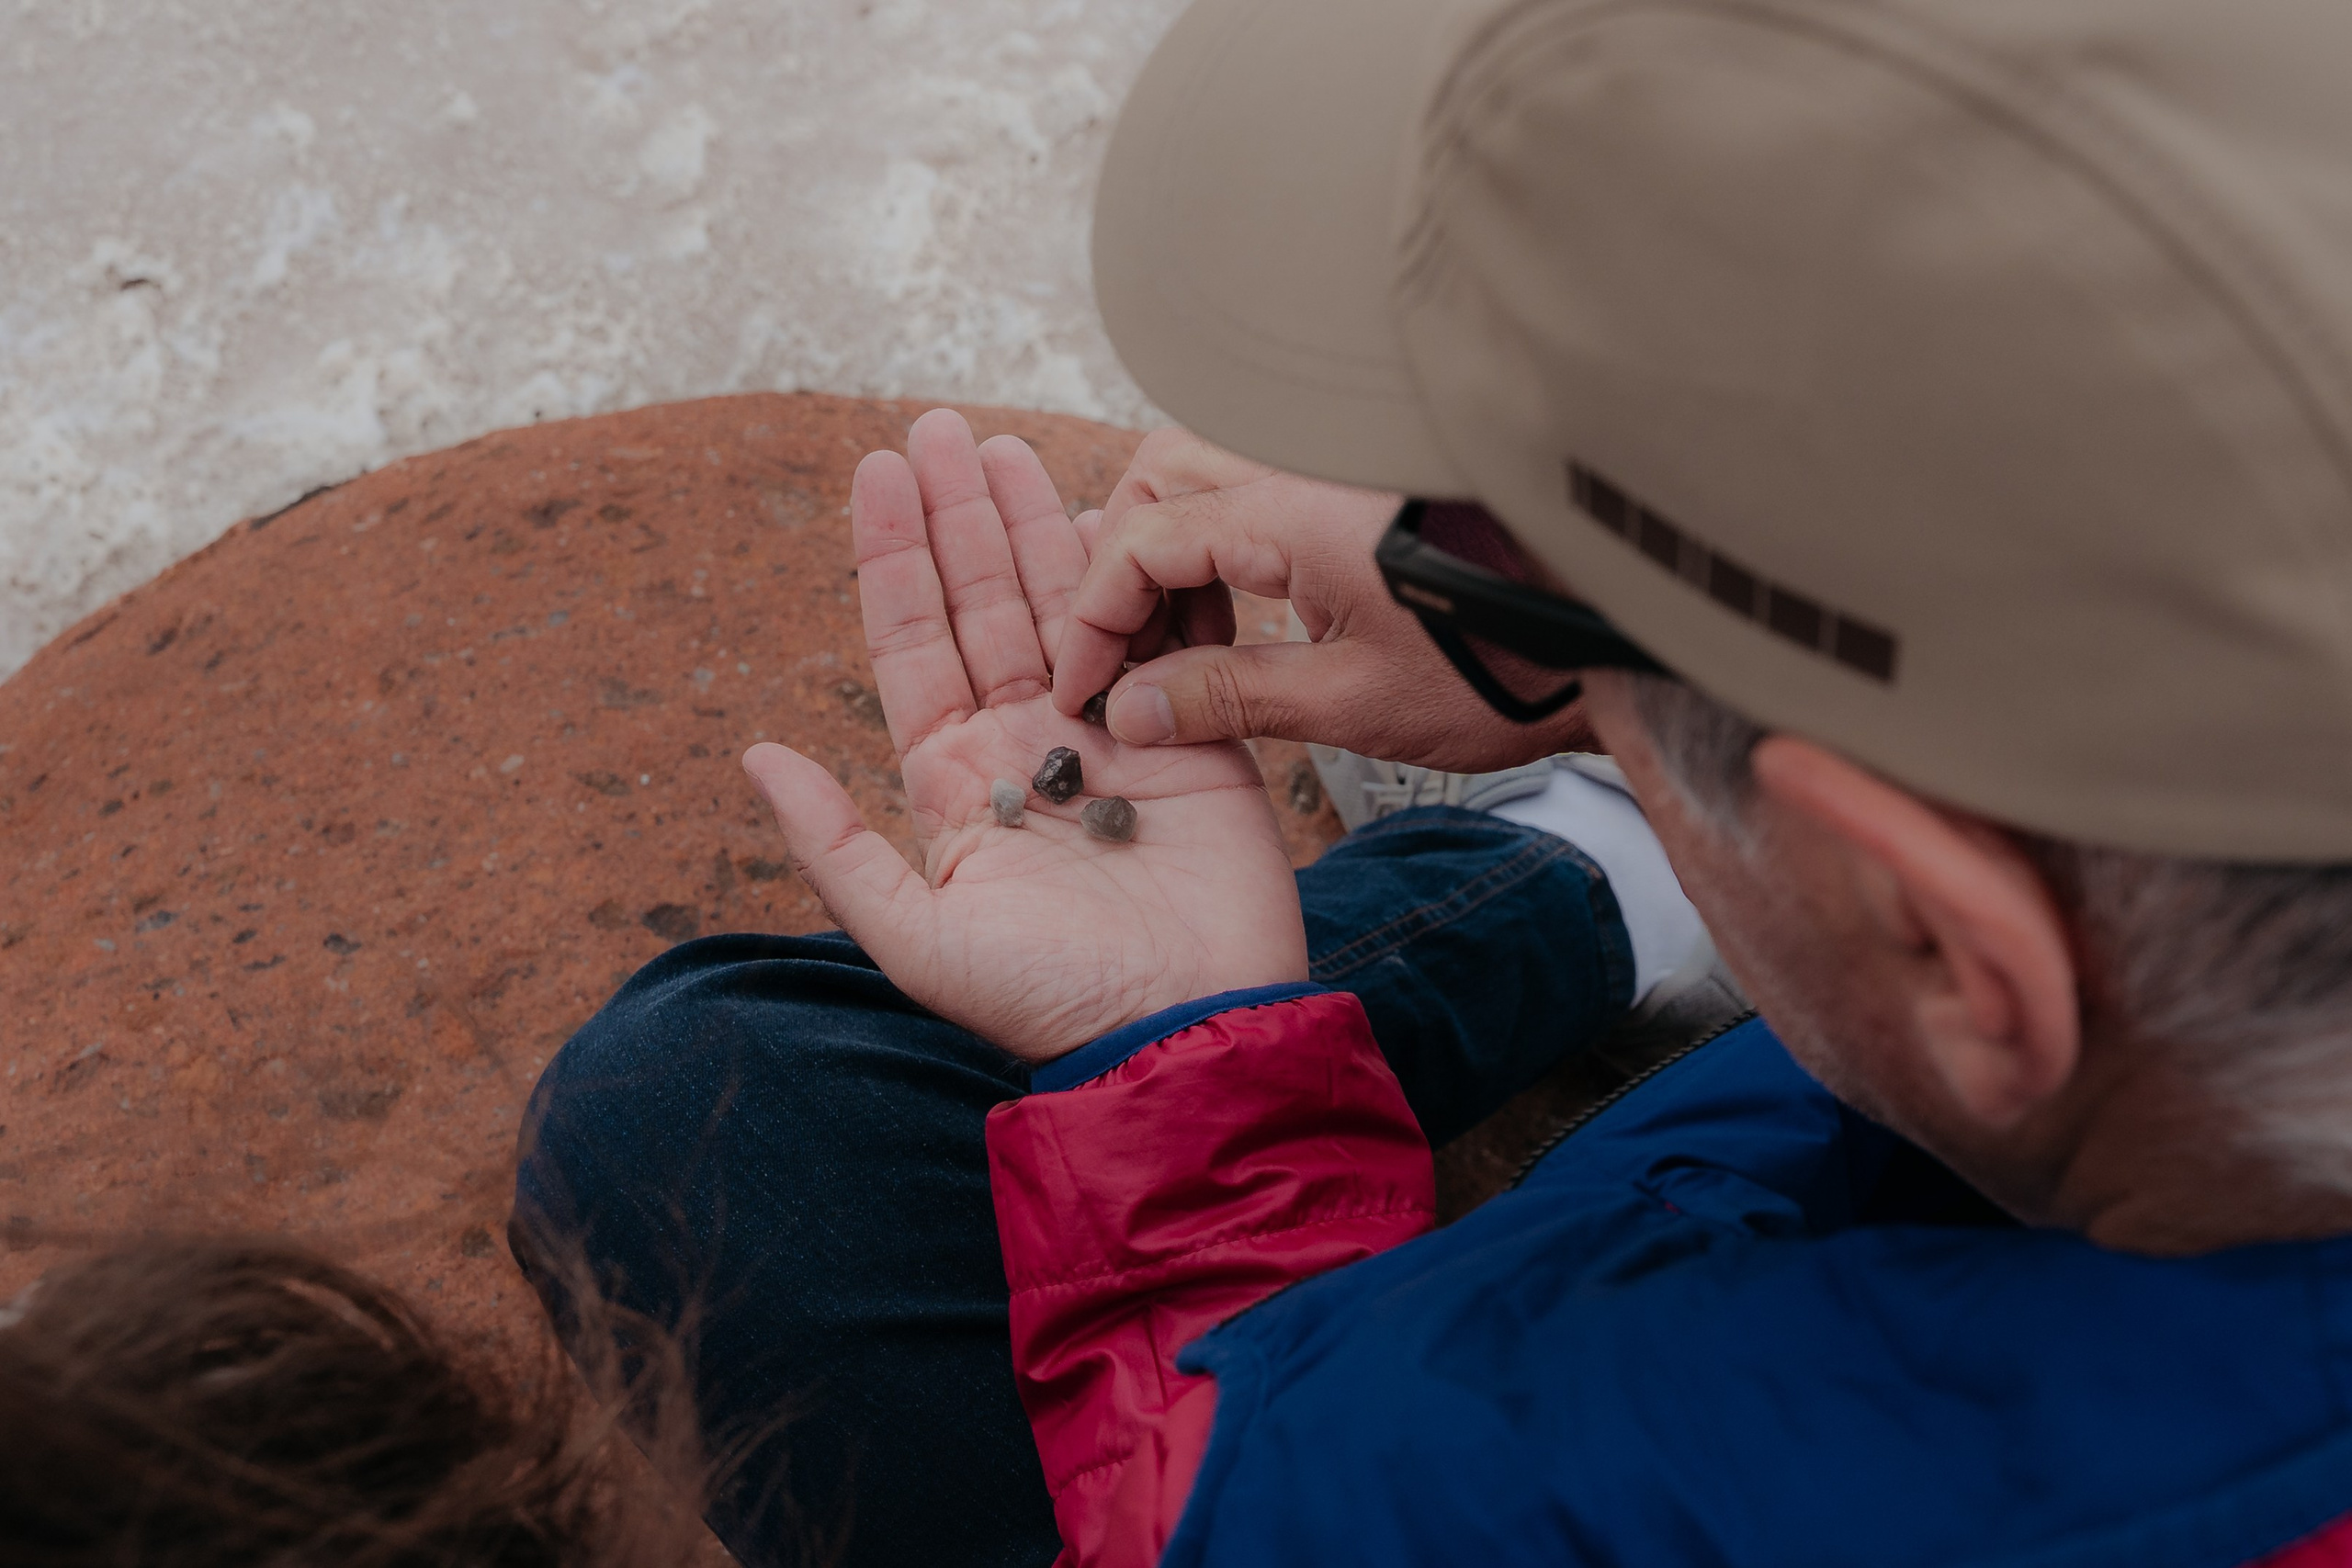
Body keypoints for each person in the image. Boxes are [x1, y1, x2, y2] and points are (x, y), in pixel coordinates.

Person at [513, 0, 2352, 1564]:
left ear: (1949, 944)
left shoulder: (1433, 1474)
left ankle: (1594, 881)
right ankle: (1642, 863)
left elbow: (1222, 1477)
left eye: (1521, 593)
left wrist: (1191, 1064)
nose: (1473, 595)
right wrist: (1601, 665)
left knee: (705, 1115)